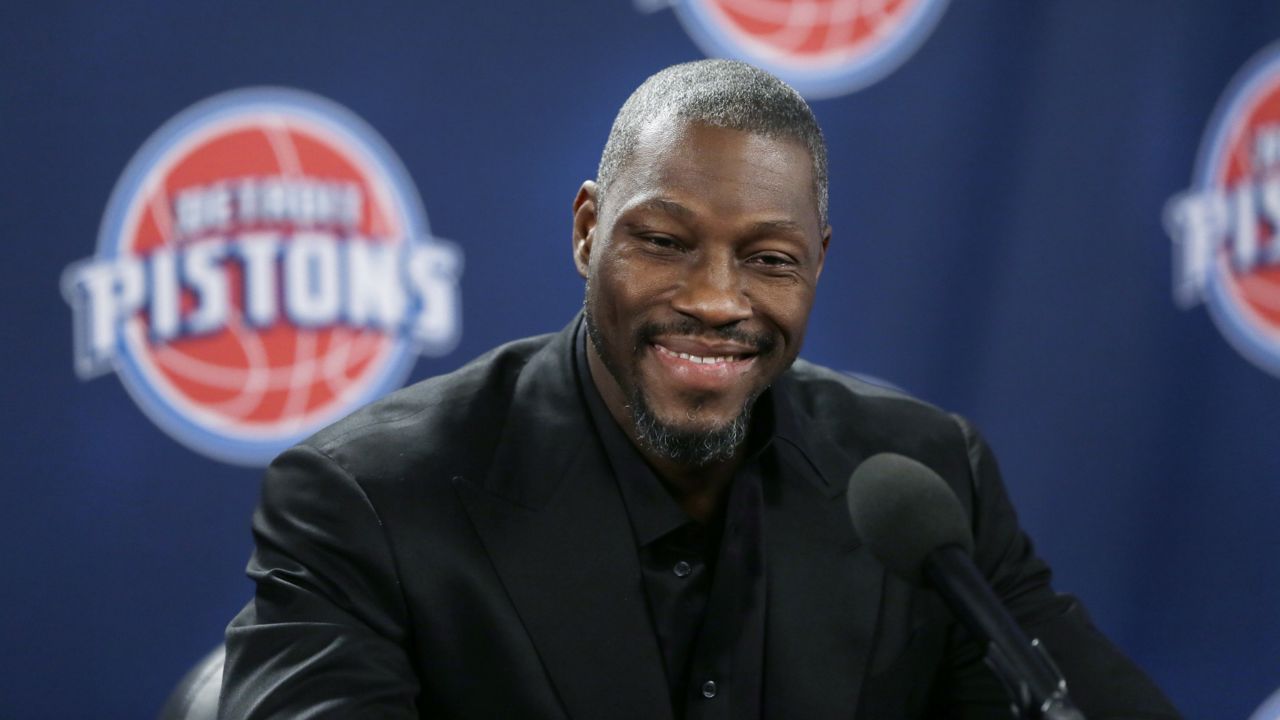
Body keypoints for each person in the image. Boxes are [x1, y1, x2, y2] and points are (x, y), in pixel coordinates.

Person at [219, 60, 1180, 719]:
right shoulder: (367, 498)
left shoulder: (925, 479)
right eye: (666, 242)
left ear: (817, 265)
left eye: (768, 258)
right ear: (589, 229)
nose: (719, 300)